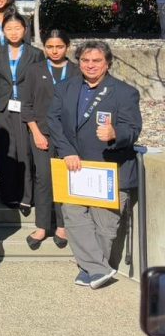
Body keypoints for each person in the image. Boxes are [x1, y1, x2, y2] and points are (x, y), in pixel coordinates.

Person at [47, 39, 142, 289]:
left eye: (97, 61)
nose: (90, 65)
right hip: (74, 165)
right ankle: (97, 268)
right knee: (73, 215)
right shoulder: (64, 88)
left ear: (107, 63)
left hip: (110, 169)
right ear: (78, 62)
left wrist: (115, 134)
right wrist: (66, 151)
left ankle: (90, 269)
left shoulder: (124, 92)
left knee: (106, 226)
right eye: (85, 60)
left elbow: (133, 129)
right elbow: (53, 121)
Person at [20, 29, 75, 249]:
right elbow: (27, 105)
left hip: (68, 137)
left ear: (67, 47)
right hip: (41, 134)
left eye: (59, 46)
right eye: (50, 47)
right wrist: (35, 132)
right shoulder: (35, 70)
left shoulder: (76, 71)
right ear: (44, 48)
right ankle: (42, 226)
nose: (54, 51)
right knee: (43, 178)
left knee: (64, 180)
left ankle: (62, 226)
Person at [0, 13, 43, 212]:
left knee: (24, 152)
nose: (13, 33)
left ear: (25, 30)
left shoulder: (35, 54)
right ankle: (8, 194)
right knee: (6, 152)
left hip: (25, 106)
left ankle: (26, 196)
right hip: (3, 107)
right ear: (3, 31)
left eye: (17, 28)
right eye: (9, 29)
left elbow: (38, 83)